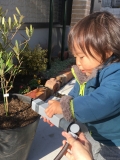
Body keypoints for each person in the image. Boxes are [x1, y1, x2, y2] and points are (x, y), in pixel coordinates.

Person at [43, 11, 120, 160]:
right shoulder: (88, 72)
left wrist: (68, 107)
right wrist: (60, 107)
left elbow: (103, 101)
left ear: (107, 51)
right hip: (95, 133)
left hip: (114, 143)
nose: (77, 62)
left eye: (82, 56)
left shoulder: (116, 73)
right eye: (75, 56)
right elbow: (76, 93)